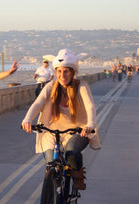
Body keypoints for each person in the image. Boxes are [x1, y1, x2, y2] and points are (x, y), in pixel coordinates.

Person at [21, 49, 100, 190]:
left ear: (73, 72)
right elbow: (38, 104)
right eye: (59, 72)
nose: (62, 75)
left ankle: (78, 174)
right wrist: (27, 119)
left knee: (71, 152)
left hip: (77, 130)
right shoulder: (50, 86)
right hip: (52, 131)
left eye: (66, 71)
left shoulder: (81, 86)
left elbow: (90, 106)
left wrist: (90, 124)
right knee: (51, 162)